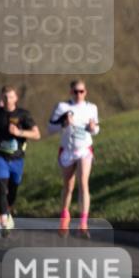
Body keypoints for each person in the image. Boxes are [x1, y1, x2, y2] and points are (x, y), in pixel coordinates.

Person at [0, 86, 41, 235]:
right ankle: (3, 221)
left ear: (16, 98)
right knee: (1, 187)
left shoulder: (23, 115)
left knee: (13, 190)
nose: (7, 100)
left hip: (17, 158)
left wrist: (19, 132)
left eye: (10, 97)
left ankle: (6, 213)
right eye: (4, 97)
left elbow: (37, 134)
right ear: (1, 99)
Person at [49, 80, 101, 235]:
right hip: (67, 150)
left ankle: (83, 223)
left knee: (83, 182)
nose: (79, 94)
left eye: (82, 91)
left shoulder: (92, 108)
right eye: (75, 91)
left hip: (84, 149)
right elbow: (50, 128)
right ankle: (64, 216)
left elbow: (96, 129)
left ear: (86, 92)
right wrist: (64, 124)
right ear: (71, 92)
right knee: (68, 185)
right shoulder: (63, 107)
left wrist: (93, 129)